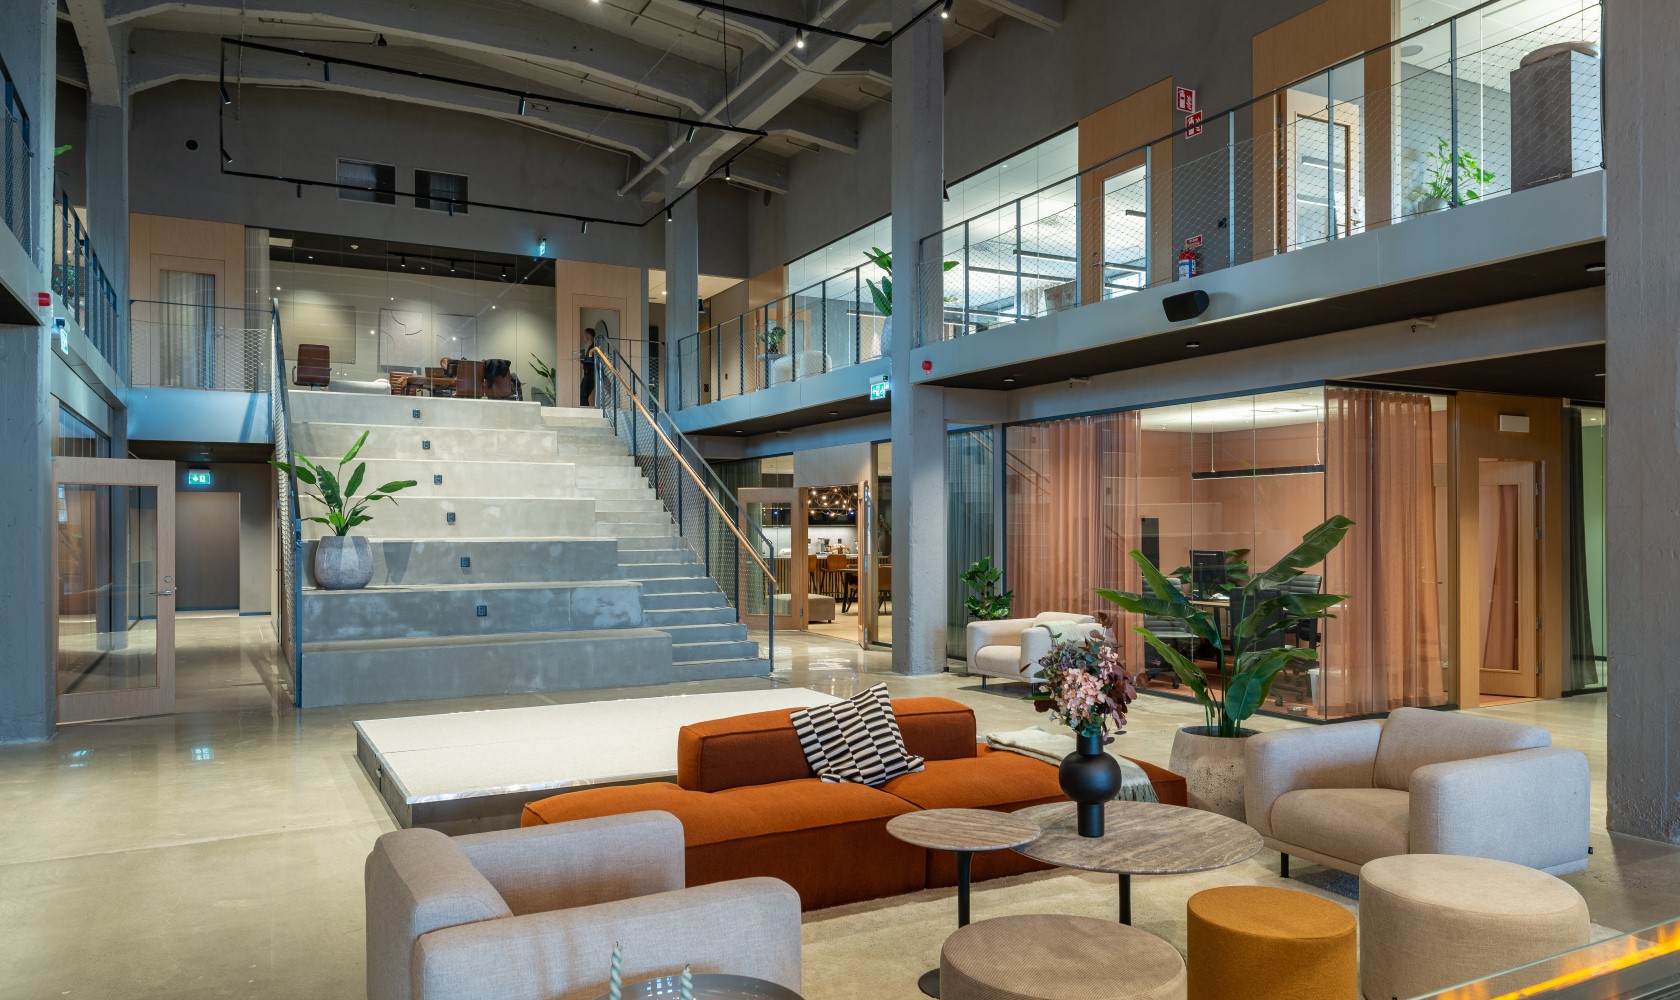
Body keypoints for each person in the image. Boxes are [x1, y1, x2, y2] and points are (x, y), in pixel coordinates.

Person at [578, 330, 597, 406]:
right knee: (582, 395)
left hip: (590, 376)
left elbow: (592, 364)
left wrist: (582, 364)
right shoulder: (591, 347)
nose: (584, 337)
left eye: (584, 335)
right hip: (589, 375)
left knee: (583, 396)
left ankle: (584, 411)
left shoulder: (593, 348)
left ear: (588, 335)